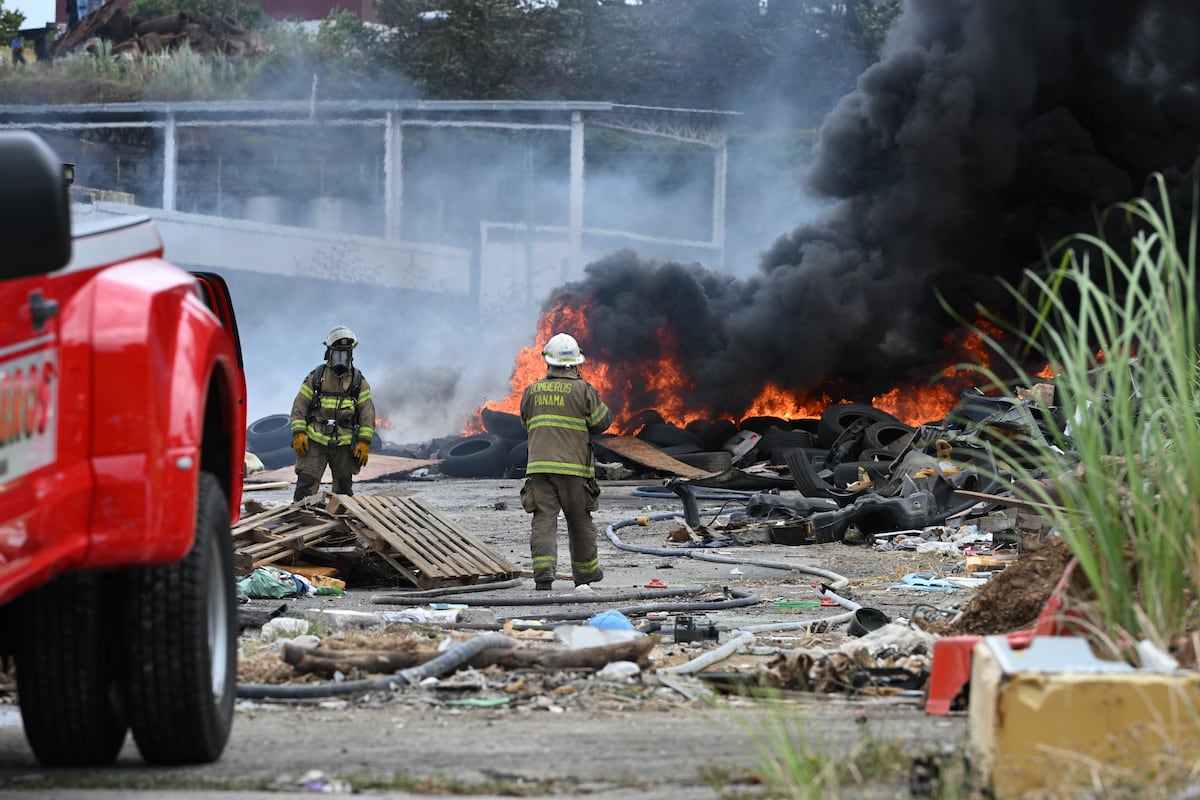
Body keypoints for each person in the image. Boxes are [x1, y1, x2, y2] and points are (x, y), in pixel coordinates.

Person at [519, 332, 613, 590]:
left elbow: (524, 423)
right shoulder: (583, 390)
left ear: (548, 362)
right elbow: (601, 423)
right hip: (573, 470)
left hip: (539, 468)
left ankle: (543, 576)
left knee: (543, 519)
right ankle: (585, 576)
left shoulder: (531, 391)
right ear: (575, 364)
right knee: (579, 520)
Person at [289, 325, 376, 503]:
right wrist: (298, 433)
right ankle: (302, 519)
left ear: (351, 355)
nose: (341, 358)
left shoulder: (359, 382)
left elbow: (367, 413)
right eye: (337, 353)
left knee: (344, 490)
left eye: (345, 354)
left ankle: (341, 526)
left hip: (344, 444)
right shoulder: (316, 377)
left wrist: (364, 442)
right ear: (329, 353)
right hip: (315, 441)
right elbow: (300, 406)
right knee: (306, 484)